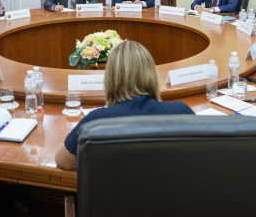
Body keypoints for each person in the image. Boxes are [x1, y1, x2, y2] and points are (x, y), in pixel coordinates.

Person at [55, 40, 195, 170]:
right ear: (152, 74)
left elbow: (62, 161)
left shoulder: (96, 122)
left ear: (110, 78)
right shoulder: (181, 112)